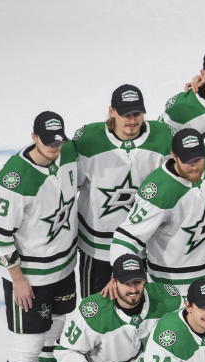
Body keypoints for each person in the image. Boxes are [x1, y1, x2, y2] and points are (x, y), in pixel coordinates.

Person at [0, 111, 78, 362]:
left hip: (64, 270)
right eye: (48, 141)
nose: (54, 147)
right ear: (33, 137)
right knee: (28, 348)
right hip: (31, 279)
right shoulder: (16, 178)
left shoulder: (67, 154)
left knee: (56, 334)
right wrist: (18, 278)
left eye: (58, 141)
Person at [109, 128, 205, 307]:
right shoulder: (157, 193)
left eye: (198, 159)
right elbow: (126, 238)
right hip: (175, 289)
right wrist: (119, 275)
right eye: (187, 161)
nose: (194, 166)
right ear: (173, 156)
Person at [74, 84, 173, 297]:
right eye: (125, 114)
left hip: (142, 243)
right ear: (112, 112)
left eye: (136, 113)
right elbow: (73, 183)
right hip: (98, 246)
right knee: (96, 307)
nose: (132, 120)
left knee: (140, 307)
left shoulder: (163, 138)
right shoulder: (89, 141)